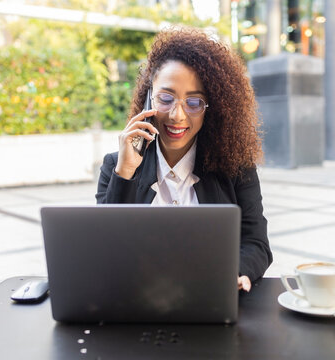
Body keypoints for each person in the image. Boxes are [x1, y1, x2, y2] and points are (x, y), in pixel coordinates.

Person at [95, 26, 272, 292]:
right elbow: (104, 250)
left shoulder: (236, 168)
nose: (177, 115)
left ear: (212, 108)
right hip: (136, 301)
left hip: (212, 298)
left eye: (194, 103)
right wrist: (126, 172)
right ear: (148, 98)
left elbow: (256, 244)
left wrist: (236, 272)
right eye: (166, 98)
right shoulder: (116, 166)